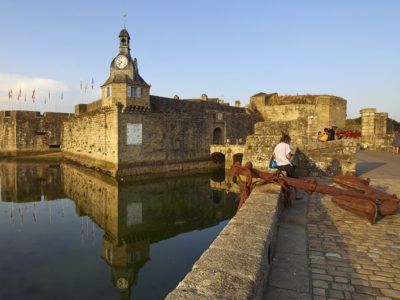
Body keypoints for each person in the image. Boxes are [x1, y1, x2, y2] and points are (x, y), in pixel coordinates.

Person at [273, 134, 302, 199]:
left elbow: (275, 157)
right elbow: (288, 157)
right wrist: (290, 155)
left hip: (278, 166)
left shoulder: (277, 146)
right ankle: (298, 195)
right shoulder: (286, 145)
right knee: (296, 179)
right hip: (286, 165)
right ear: (287, 140)